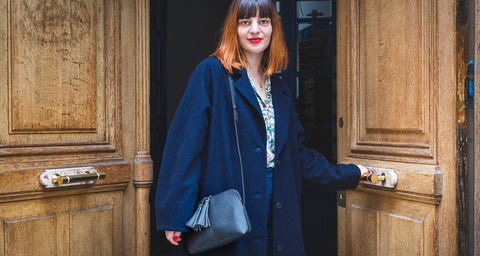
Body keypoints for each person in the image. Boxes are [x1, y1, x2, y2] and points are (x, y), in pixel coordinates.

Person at [155, 0, 368, 255]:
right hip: (233, 217)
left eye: (263, 22)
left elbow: (296, 156)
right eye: (245, 22)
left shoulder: (279, 88)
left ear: (272, 29)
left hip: (278, 211)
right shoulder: (211, 73)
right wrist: (175, 215)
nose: (255, 30)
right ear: (233, 29)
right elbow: (185, 146)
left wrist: (353, 174)